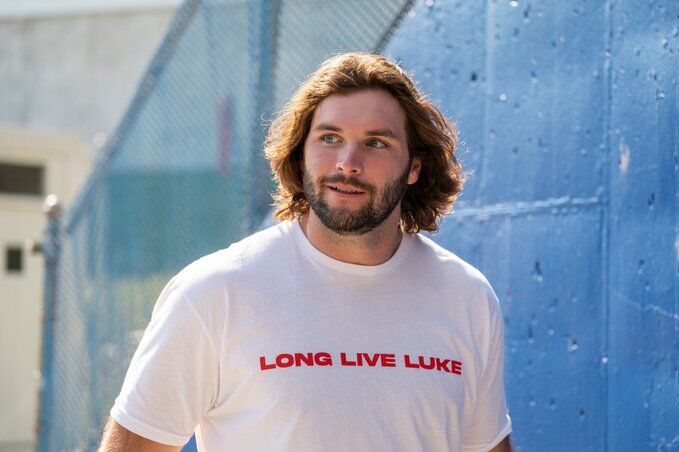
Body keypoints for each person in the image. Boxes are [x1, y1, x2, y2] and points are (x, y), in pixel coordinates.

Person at [99, 52, 513, 452]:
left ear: (414, 167)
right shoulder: (215, 293)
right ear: (301, 156)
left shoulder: (467, 297)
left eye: (377, 143)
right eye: (329, 138)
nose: (348, 163)